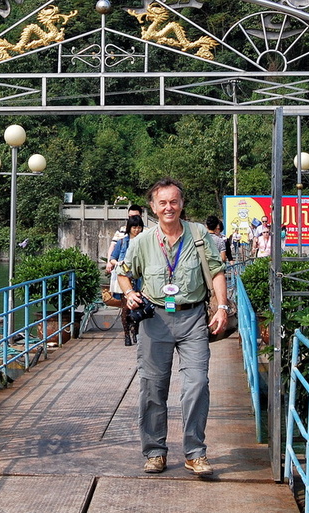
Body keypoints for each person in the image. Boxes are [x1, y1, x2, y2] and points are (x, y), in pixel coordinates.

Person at [116, 177, 230, 478]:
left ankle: (195, 453)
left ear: (182, 204)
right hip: (155, 322)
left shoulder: (199, 235)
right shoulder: (141, 242)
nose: (169, 207)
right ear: (153, 207)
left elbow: (217, 272)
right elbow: (123, 273)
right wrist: (129, 294)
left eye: (174, 201)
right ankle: (154, 452)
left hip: (193, 318)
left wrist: (222, 306)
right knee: (153, 388)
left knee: (197, 384)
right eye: (162, 202)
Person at [108, 215, 144, 345]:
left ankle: (136, 332)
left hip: (139, 279)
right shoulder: (122, 242)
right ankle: (126, 335)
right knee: (126, 308)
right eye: (134, 227)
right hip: (124, 279)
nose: (137, 230)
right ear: (129, 228)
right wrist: (118, 264)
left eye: (139, 227)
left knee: (139, 307)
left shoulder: (144, 241)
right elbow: (112, 258)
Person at [106, 204, 144, 269]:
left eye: (139, 228)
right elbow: (113, 246)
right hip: (124, 271)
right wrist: (110, 262)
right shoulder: (121, 234)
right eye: (130, 216)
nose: (137, 230)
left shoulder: (147, 233)